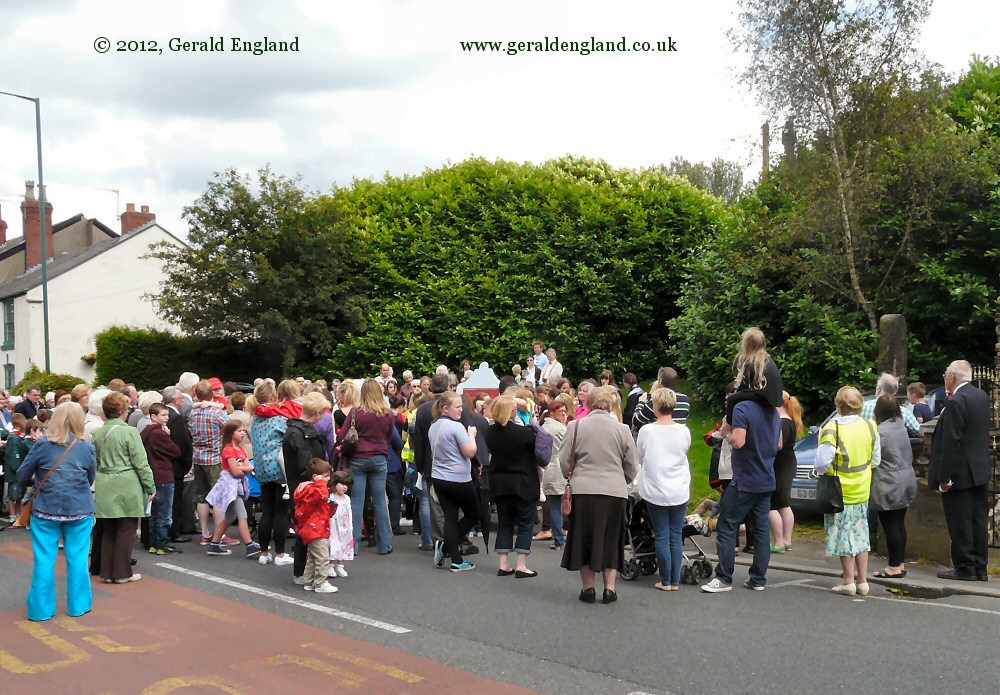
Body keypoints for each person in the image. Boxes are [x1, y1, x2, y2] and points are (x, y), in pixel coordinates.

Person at [16, 402, 97, 621]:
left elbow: (22, 475)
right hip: (79, 507)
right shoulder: (86, 447)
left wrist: (38, 481)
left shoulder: (42, 445)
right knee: (78, 558)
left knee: (44, 559)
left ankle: (41, 610)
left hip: (45, 508)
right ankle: (78, 606)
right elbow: (91, 478)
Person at [702, 377, 782, 594]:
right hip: (766, 477)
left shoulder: (742, 408)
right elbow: (779, 443)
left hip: (745, 477)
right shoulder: (773, 411)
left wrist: (726, 435)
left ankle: (723, 577)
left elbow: (739, 441)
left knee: (727, 524)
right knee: (762, 529)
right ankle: (758, 578)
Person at [559, 386, 637, 604]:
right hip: (614, 491)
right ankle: (610, 589)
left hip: (584, 490)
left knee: (584, 537)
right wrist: (624, 480)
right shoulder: (622, 429)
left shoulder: (575, 427)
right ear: (611, 405)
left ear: (588, 404)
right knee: (611, 538)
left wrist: (571, 477)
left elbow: (565, 460)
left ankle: (588, 588)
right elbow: (632, 464)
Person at [813, 387, 880, 596]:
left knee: (843, 534)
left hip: (839, 491)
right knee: (861, 534)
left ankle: (848, 581)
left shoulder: (832, 428)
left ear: (838, 405)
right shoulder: (870, 426)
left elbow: (823, 463)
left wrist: (819, 470)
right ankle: (862, 581)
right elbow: (876, 459)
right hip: (862, 488)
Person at [929, 360, 991, 581]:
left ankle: (965, 567)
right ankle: (980, 567)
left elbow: (952, 442)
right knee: (978, 521)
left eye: (945, 374)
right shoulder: (981, 396)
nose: (944, 377)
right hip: (980, 470)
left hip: (961, 473)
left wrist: (944, 477)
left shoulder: (957, 401)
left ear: (952, 377)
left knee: (960, 521)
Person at [93, 391, 156, 584]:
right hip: (126, 481)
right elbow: (141, 462)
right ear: (123, 410)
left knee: (109, 528)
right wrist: (150, 485)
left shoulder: (99, 432)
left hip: (104, 480)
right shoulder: (129, 431)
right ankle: (122, 572)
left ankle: (108, 571)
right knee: (126, 529)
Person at [636, 388, 691, 591]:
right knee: (675, 534)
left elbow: (639, 456)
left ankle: (666, 580)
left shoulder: (647, 431)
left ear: (655, 406)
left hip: (655, 488)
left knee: (661, 534)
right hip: (679, 488)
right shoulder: (684, 431)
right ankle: (674, 580)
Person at [338, 379, 395, 555]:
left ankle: (353, 545)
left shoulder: (356, 412)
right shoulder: (387, 413)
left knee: (357, 501)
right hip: (379, 458)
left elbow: (343, 435)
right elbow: (390, 435)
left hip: (358, 458)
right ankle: (385, 544)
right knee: (379, 502)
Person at [486, 395, 541, 578]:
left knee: (504, 523)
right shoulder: (524, 433)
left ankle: (504, 564)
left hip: (500, 482)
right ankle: (521, 566)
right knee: (525, 524)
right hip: (523, 481)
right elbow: (537, 451)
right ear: (510, 412)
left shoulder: (490, 433)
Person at [428, 391, 480, 572]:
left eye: (461, 406)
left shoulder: (433, 426)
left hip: (439, 478)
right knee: (474, 514)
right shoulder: (456, 427)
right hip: (458, 480)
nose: (461, 410)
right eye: (457, 407)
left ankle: (456, 560)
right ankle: (445, 547)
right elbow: (470, 452)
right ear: (445, 408)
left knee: (450, 516)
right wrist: (472, 434)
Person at [284, 392, 330, 585]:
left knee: (306, 528)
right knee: (309, 529)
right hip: (307, 489)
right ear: (318, 413)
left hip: (300, 486)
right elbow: (307, 465)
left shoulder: (294, 430)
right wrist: (322, 478)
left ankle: (307, 572)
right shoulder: (302, 434)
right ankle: (305, 573)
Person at [870, 394, 917, 578]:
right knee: (899, 523)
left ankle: (893, 567)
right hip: (906, 478)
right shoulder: (900, 427)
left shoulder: (881, 432)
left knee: (890, 526)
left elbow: (874, 458)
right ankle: (900, 564)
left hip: (889, 482)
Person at [249, 381, 293, 566]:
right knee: (281, 512)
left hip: (262, 469)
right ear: (273, 397)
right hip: (278, 468)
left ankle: (263, 552)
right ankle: (281, 554)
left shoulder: (255, 419)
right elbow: (289, 437)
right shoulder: (279, 419)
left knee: (267, 511)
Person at [205, 421, 260, 557]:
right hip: (230, 487)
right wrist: (244, 469)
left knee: (229, 517)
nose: (243, 433)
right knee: (242, 515)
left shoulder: (241, 450)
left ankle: (214, 544)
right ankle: (249, 544)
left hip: (238, 485)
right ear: (231, 433)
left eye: (243, 430)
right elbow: (236, 472)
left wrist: (242, 468)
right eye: (239, 431)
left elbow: (247, 467)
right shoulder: (228, 450)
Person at [188, 380, 230, 545]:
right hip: (214, 458)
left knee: (202, 497)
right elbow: (231, 427)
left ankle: (205, 533)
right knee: (218, 496)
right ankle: (220, 535)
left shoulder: (193, 414)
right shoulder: (216, 413)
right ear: (211, 394)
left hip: (197, 457)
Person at [140, 403, 182, 555]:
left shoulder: (145, 432)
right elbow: (176, 451)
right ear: (153, 416)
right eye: (163, 415)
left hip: (151, 474)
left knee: (154, 512)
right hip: (164, 474)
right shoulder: (160, 434)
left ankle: (153, 543)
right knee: (164, 513)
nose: (167, 418)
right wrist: (169, 436)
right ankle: (162, 544)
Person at [294, 458, 338, 593]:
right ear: (316, 477)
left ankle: (309, 581)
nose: (328, 479)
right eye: (326, 476)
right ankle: (320, 583)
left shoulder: (307, 489)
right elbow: (322, 495)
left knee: (313, 556)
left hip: (313, 527)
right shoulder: (315, 489)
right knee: (323, 556)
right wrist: (320, 483)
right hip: (316, 528)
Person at [724, 327, 784, 425]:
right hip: (773, 398)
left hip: (763, 396)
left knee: (732, 399)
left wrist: (735, 395)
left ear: (747, 345)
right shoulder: (768, 359)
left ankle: (729, 425)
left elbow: (743, 386)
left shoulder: (752, 361)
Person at [769, 392, 803, 553]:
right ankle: (787, 540)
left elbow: (778, 445)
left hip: (779, 464)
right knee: (784, 503)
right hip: (788, 463)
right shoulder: (790, 419)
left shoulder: (780, 422)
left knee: (771, 504)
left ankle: (779, 542)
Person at [540, 394, 572, 550]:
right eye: (561, 411)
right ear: (552, 412)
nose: (564, 414)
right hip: (559, 468)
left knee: (555, 504)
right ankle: (559, 538)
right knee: (559, 505)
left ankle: (558, 538)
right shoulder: (560, 428)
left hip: (549, 468)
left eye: (565, 411)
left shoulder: (544, 427)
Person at [328, 469, 355, 577]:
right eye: (342, 484)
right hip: (333, 525)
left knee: (344, 544)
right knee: (334, 545)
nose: (345, 487)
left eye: (346, 485)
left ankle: (340, 566)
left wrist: (351, 525)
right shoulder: (331, 498)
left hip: (345, 525)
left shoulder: (347, 498)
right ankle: (330, 566)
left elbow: (349, 511)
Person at [5, 413, 29, 523]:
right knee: (13, 494)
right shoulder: (14, 438)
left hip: (18, 471)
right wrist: (18, 468)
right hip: (14, 471)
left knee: (19, 494)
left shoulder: (17, 437)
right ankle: (13, 514)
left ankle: (18, 513)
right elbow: (15, 455)